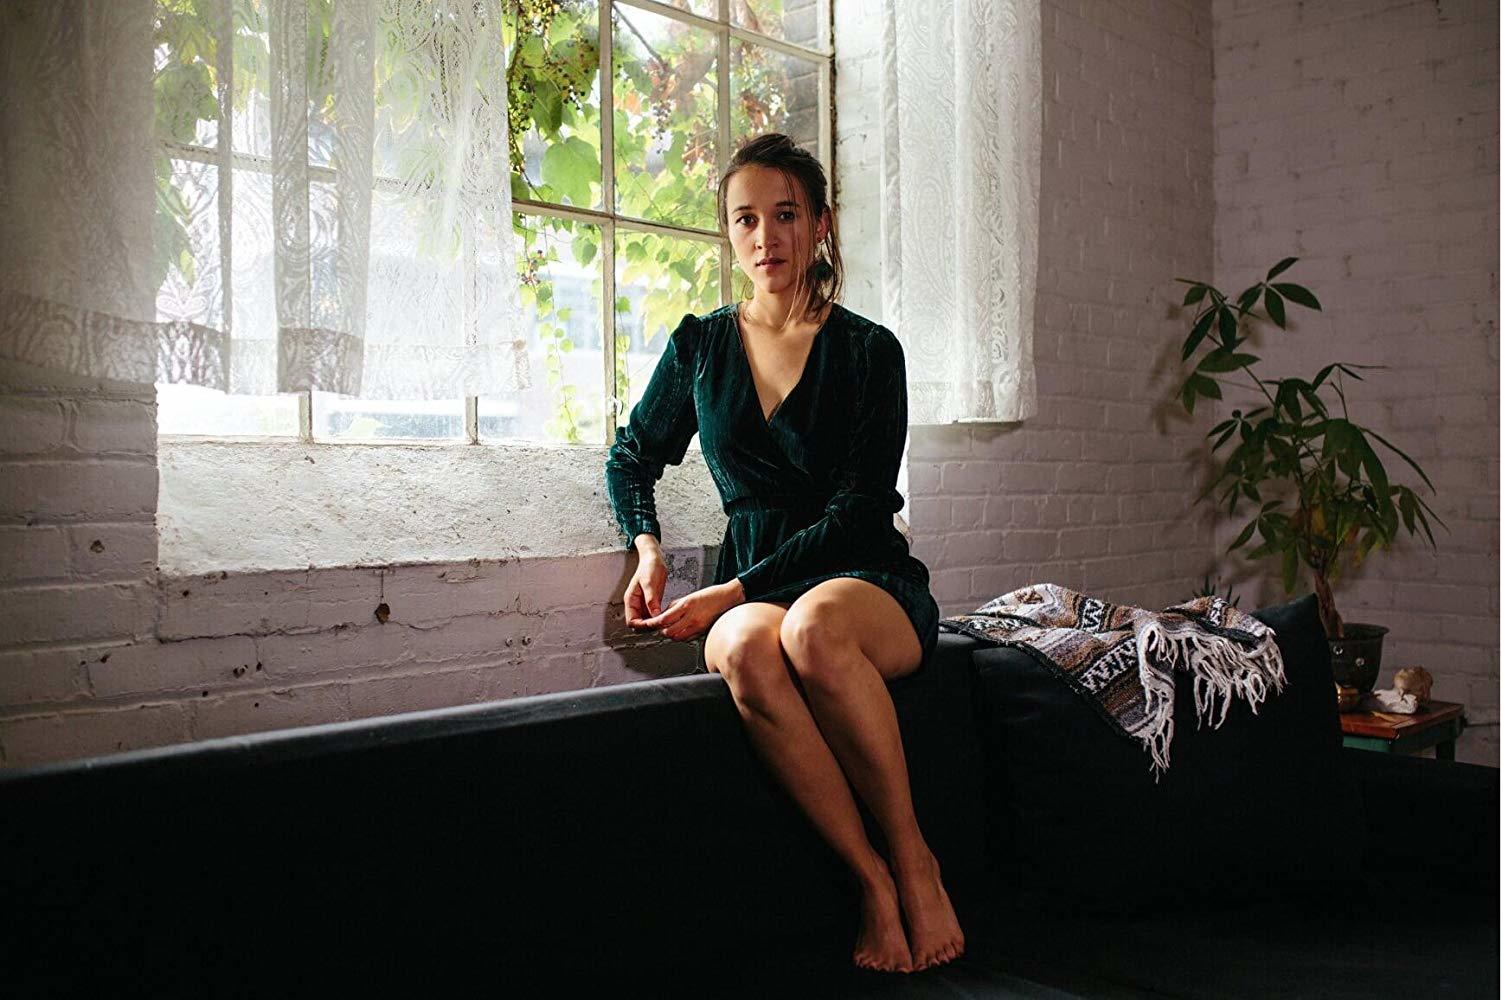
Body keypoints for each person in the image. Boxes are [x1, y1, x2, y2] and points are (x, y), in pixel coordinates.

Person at [603, 133, 963, 975]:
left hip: (863, 576)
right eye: (745, 219)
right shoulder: (700, 346)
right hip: (756, 585)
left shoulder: (869, 350)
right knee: (739, 647)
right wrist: (647, 549)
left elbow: (858, 508)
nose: (765, 237)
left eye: (786, 215)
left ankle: (914, 859)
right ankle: (870, 879)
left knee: (811, 629)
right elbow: (631, 455)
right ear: (728, 232)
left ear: (820, 225)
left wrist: (732, 588)